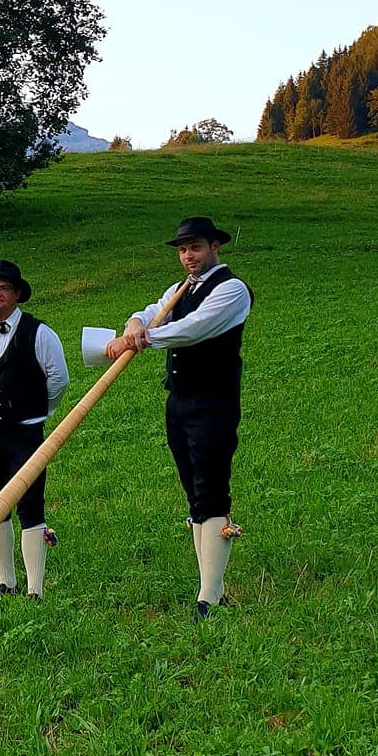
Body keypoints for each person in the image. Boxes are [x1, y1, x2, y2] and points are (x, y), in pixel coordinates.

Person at [105, 216, 253, 616]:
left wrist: (145, 336)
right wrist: (135, 322)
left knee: (212, 489)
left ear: (215, 248)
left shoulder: (233, 290)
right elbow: (152, 310)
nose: (188, 256)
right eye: (183, 250)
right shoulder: (180, 288)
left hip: (214, 402)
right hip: (179, 401)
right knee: (193, 492)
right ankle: (210, 586)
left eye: (196, 248)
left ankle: (210, 594)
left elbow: (195, 328)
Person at [0, 259, 68, 597]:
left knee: (30, 504)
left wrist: (36, 413)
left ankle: (35, 588)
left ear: (17, 293)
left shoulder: (40, 332)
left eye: (3, 287)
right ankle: (6, 581)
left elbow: (59, 380)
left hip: (25, 435)